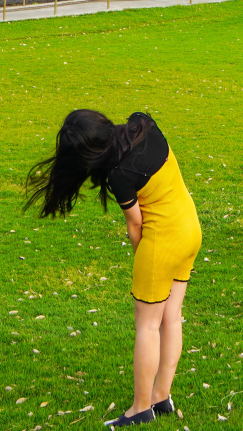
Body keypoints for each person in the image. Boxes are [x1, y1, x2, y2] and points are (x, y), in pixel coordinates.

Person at [25, 110, 202, 426]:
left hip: (162, 243)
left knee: (147, 325)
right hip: (190, 230)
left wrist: (143, 260)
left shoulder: (120, 175)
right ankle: (162, 397)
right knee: (172, 317)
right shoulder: (143, 123)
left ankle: (140, 409)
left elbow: (136, 224)